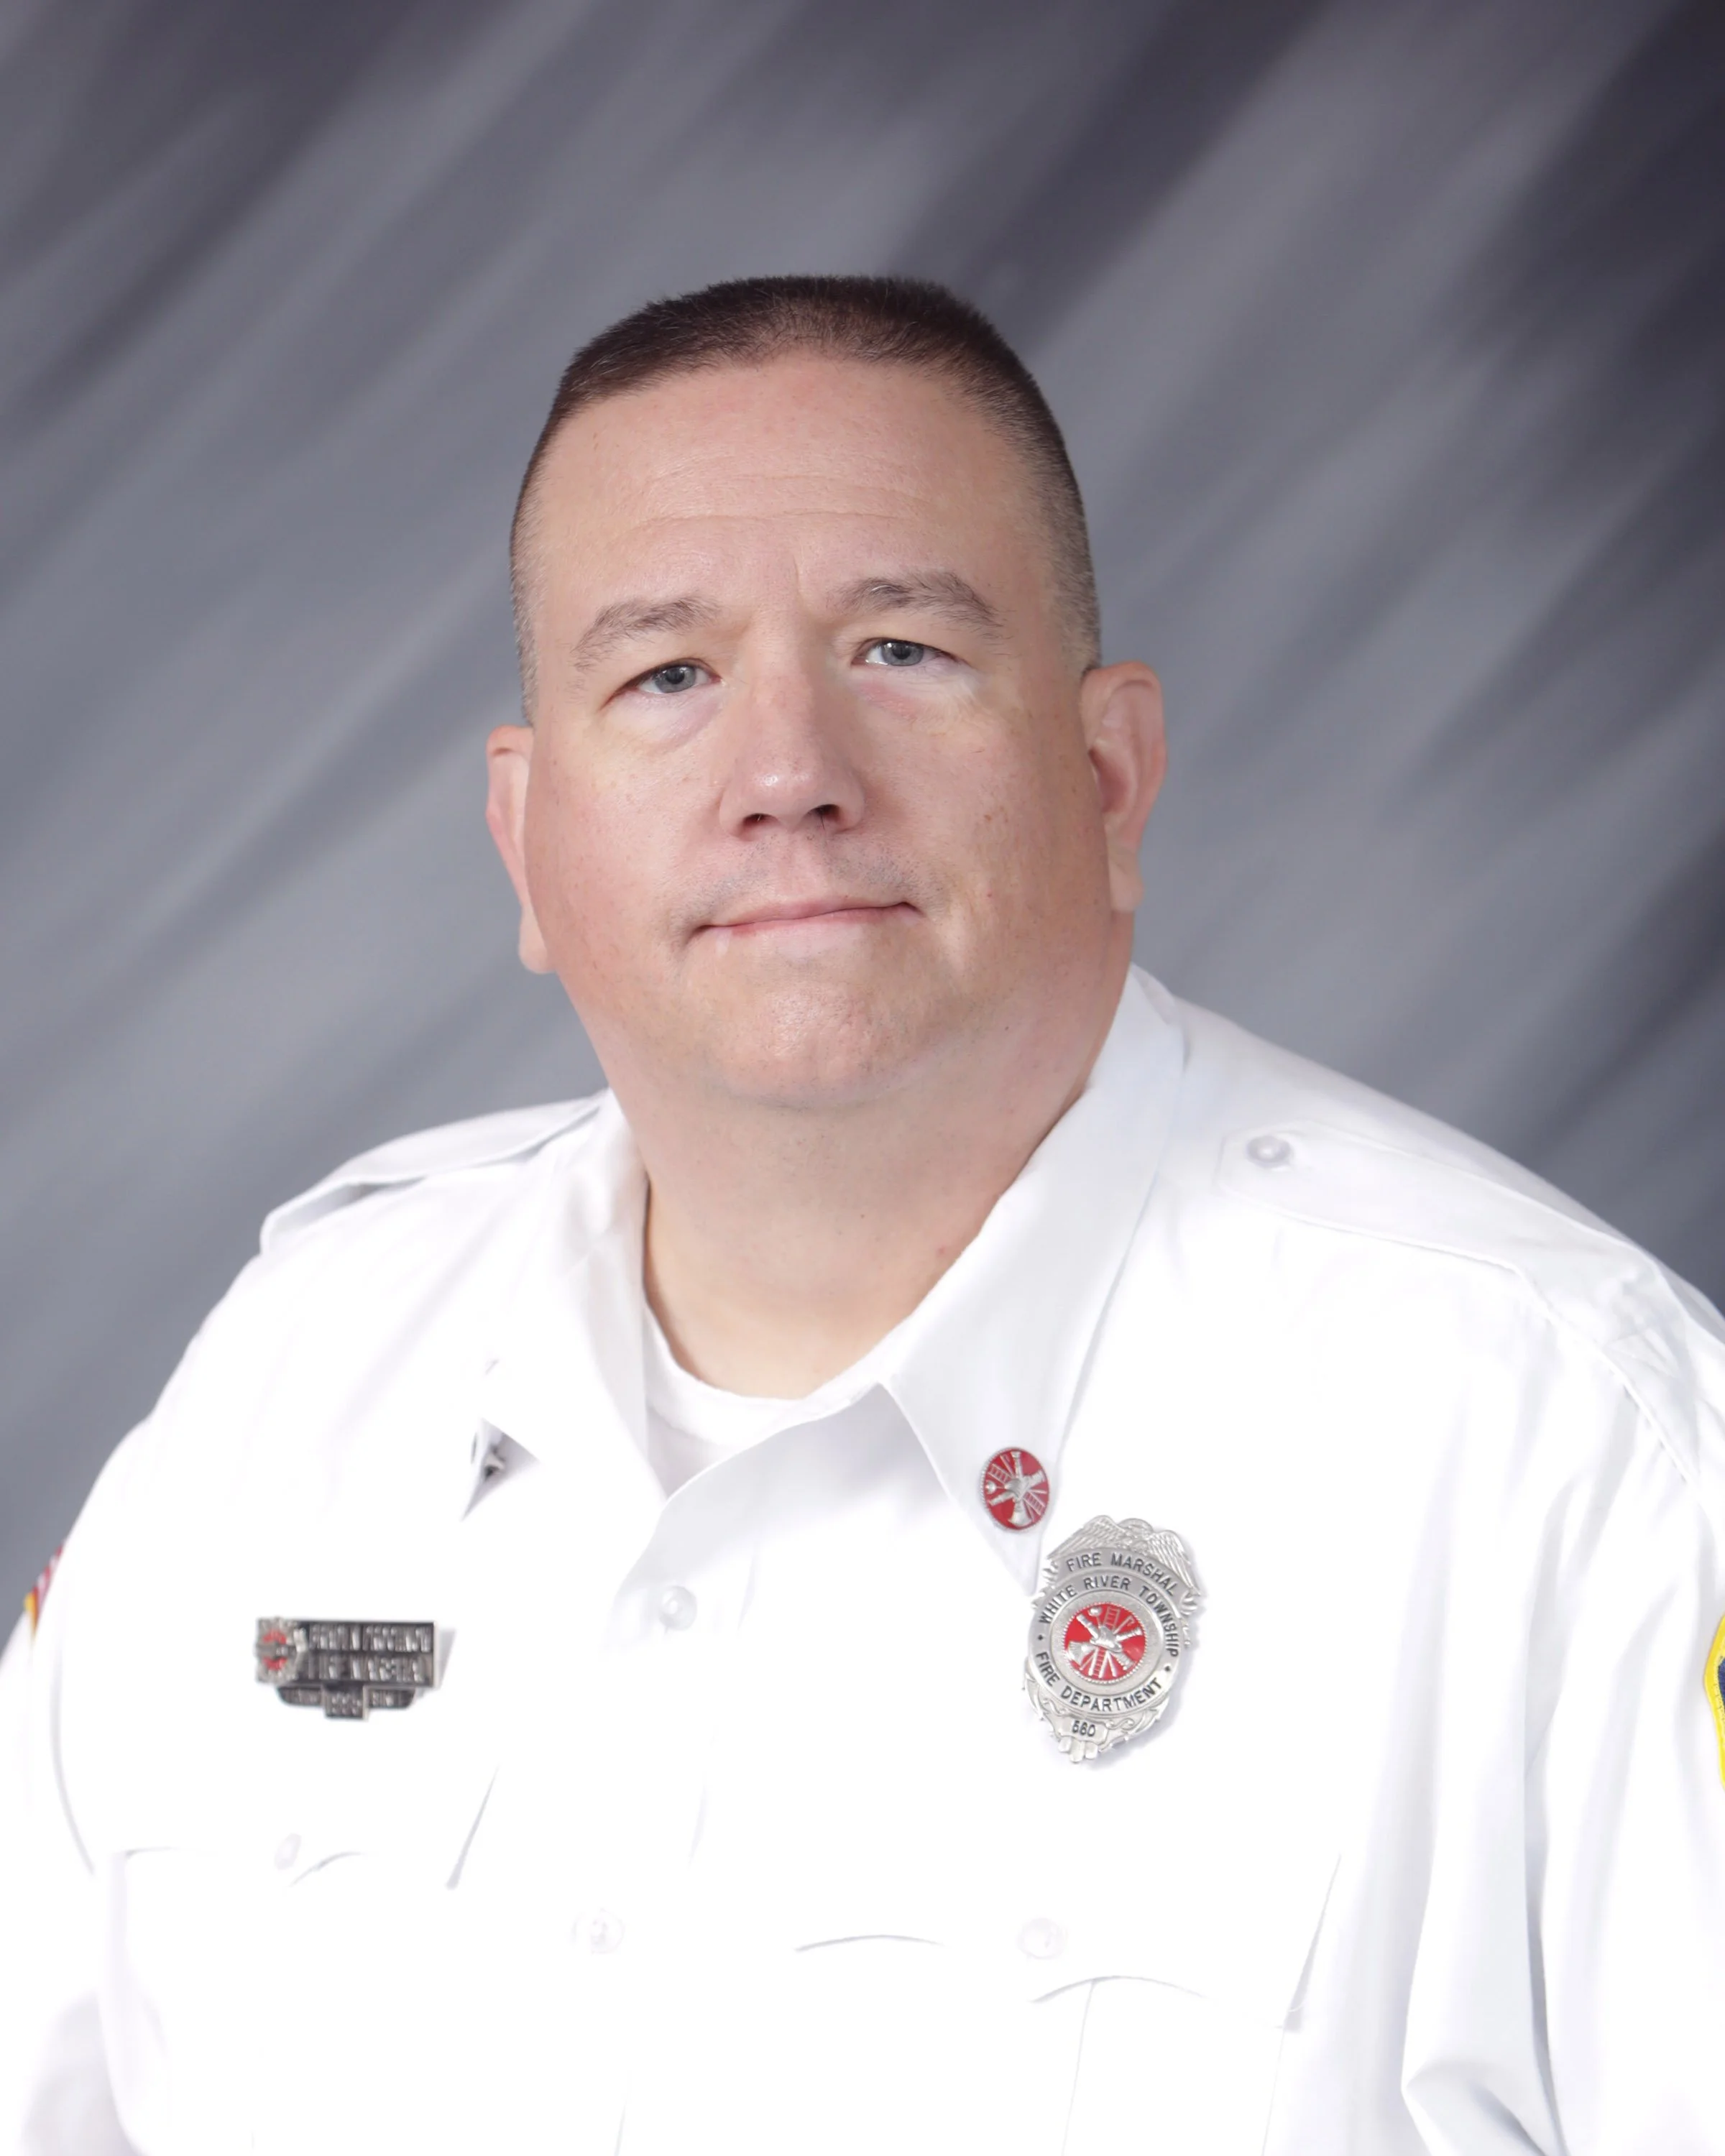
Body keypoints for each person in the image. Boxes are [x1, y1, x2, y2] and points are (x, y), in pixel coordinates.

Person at [1, 275, 1721, 2156]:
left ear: (1108, 778)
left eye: (902, 649)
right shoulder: (282, 1402)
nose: (790, 777)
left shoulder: (1575, 1459)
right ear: (525, 840)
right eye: (667, 677)